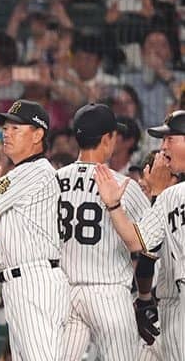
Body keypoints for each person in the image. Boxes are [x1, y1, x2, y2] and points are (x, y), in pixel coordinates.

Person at [54, 103, 150, 360]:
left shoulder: (54, 180)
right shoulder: (121, 184)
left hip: (66, 293)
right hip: (109, 293)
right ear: (107, 138)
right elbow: (150, 239)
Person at [0, 100, 68, 360]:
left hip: (34, 283)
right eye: (5, 128)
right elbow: (31, 236)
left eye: (16, 128)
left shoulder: (34, 170)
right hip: (22, 280)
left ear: (38, 135)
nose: (6, 133)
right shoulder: (26, 171)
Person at [92, 110, 185, 361]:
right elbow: (137, 242)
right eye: (162, 140)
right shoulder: (170, 197)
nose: (163, 147)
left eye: (170, 139)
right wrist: (114, 206)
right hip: (174, 303)